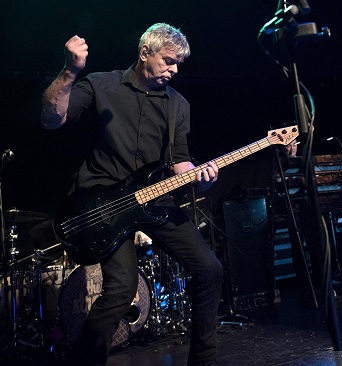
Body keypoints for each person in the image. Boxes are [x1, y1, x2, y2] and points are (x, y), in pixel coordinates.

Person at [40, 23, 223, 365]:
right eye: (169, 61)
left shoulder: (178, 105)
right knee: (122, 288)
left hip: (156, 200)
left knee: (209, 269)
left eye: (179, 63)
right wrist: (70, 71)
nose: (175, 69)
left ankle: (204, 361)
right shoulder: (101, 84)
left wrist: (202, 178)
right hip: (105, 204)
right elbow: (52, 119)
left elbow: (180, 161)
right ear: (144, 53)